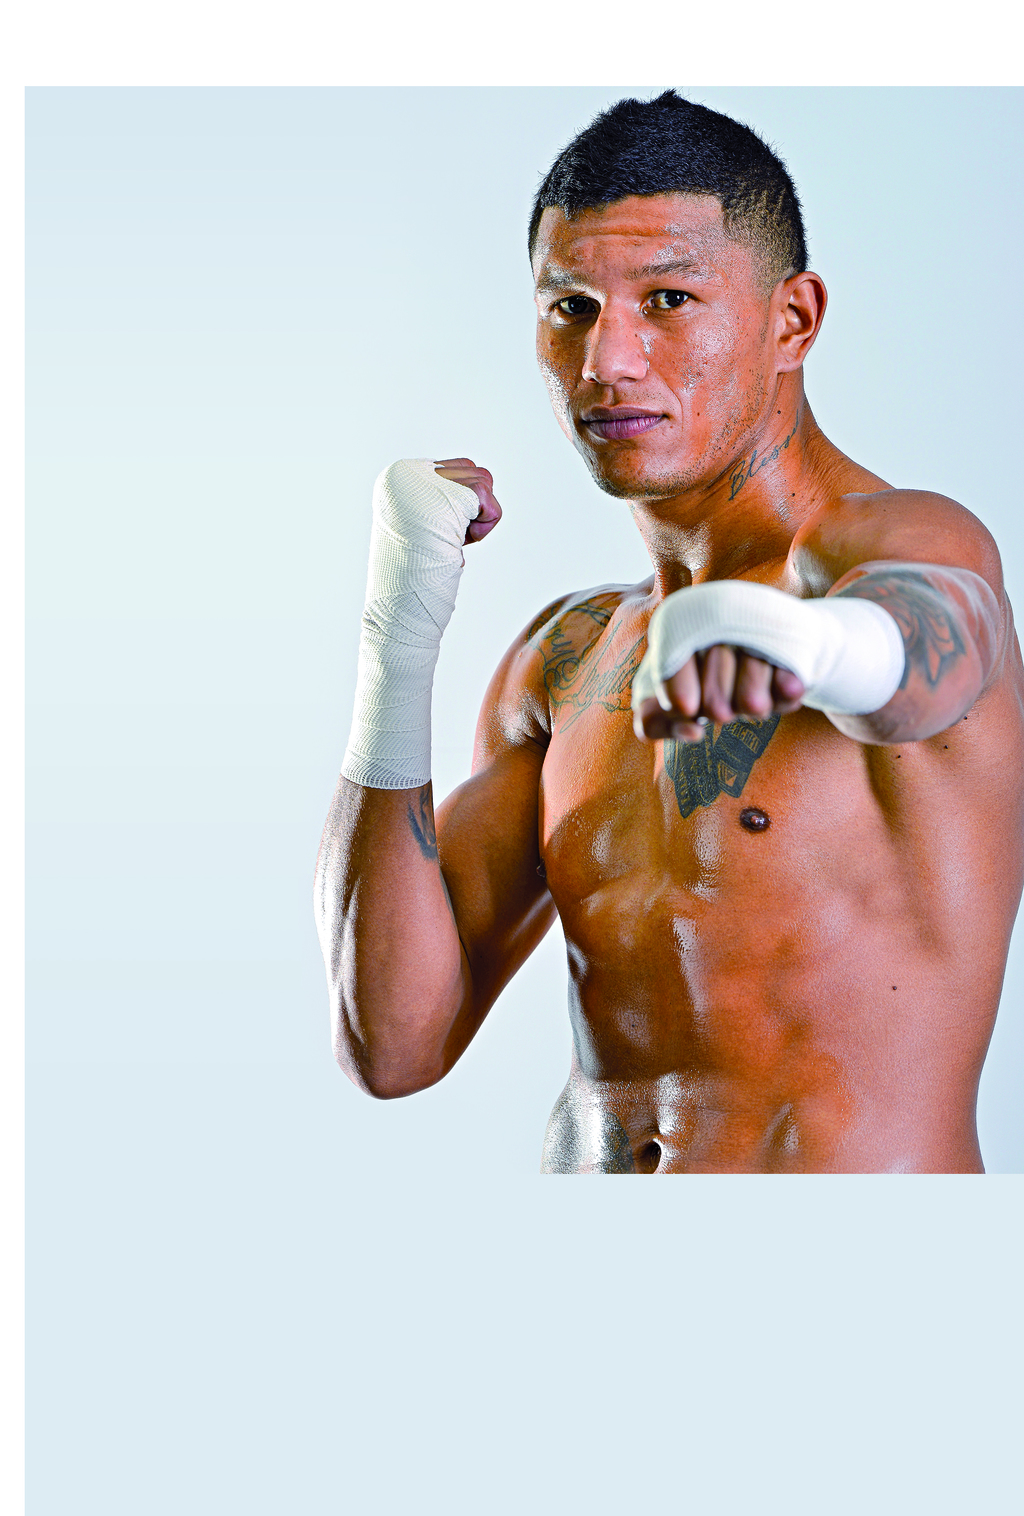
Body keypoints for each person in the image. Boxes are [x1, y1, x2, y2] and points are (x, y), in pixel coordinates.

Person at [315, 91, 1024, 1173]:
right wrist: (394, 639)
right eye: (571, 307)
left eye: (669, 299)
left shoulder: (897, 549)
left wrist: (808, 645)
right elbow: (393, 1044)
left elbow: (932, 654)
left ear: (793, 321)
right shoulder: (568, 658)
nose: (608, 361)